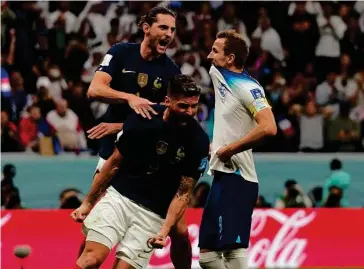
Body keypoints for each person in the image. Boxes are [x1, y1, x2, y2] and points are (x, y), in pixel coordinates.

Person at [85, 6, 193, 269]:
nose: (169, 34)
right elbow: (95, 89)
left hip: (147, 158)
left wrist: (120, 124)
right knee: (94, 229)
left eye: (173, 30)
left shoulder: (171, 71)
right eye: (163, 28)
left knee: (179, 227)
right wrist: (129, 98)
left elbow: (170, 117)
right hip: (112, 153)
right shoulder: (121, 53)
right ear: (146, 28)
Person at [71, 75, 209, 269]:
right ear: (167, 101)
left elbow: (183, 193)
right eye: (183, 106)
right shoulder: (143, 118)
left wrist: (164, 231)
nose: (190, 112)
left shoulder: (199, 141)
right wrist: (88, 203)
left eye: (194, 106)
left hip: (152, 214)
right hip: (119, 199)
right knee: (90, 260)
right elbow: (114, 164)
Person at [198, 30, 277, 269]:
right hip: (222, 177)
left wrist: (230, 149)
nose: (210, 57)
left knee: (233, 251)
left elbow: (269, 127)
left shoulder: (248, 88)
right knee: (207, 256)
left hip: (239, 178)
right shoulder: (217, 73)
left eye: (215, 51)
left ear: (230, 58)